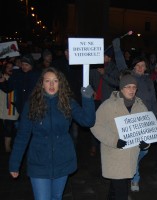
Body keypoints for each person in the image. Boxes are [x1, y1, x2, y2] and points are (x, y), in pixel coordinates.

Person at [9, 67, 95, 200]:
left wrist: (87, 97)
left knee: (56, 197)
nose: (51, 84)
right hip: (39, 161)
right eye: (47, 81)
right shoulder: (32, 104)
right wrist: (15, 163)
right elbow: (22, 136)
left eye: (55, 81)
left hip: (62, 159)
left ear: (60, 83)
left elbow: (87, 121)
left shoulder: (67, 102)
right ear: (41, 84)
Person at [90, 74, 149, 200]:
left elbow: (146, 130)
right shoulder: (109, 105)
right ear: (121, 88)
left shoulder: (141, 107)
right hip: (114, 155)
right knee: (121, 192)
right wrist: (114, 141)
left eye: (134, 87)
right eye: (128, 87)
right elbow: (95, 125)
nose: (131, 90)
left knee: (116, 189)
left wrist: (146, 143)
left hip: (130, 157)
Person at [89, 38, 127, 156]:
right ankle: (93, 145)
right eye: (103, 55)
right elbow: (88, 81)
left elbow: (116, 83)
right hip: (95, 100)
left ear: (109, 58)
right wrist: (91, 91)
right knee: (94, 123)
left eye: (106, 56)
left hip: (107, 101)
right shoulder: (94, 65)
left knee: (106, 124)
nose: (104, 57)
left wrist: (104, 74)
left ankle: (104, 145)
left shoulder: (113, 68)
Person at [130, 55, 157, 192]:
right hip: (133, 119)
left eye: (143, 65)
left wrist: (156, 118)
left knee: (145, 149)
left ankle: (133, 164)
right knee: (135, 149)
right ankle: (135, 178)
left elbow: (153, 100)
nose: (141, 68)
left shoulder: (149, 81)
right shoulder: (129, 78)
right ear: (134, 66)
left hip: (147, 119)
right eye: (138, 65)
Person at [0, 62, 19, 152]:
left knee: (9, 127)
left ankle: (7, 147)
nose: (10, 69)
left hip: (11, 107)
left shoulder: (16, 78)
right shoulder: (1, 77)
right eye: (8, 67)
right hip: (1, 107)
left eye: (12, 67)